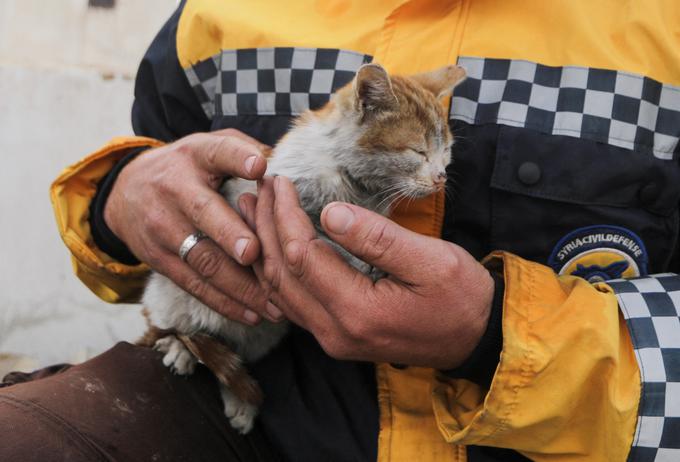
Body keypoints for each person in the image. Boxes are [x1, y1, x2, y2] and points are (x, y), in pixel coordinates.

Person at [2, 0, 679, 460]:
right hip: (260, 420)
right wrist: (120, 198)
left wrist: (496, 335)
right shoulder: (215, 15)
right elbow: (153, 165)